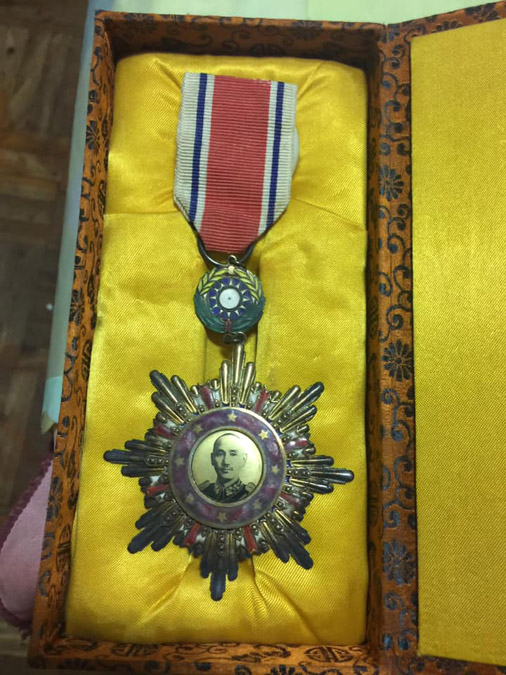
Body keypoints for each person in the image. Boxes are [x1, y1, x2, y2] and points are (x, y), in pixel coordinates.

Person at [198, 432, 256, 503]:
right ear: (212, 459)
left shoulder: (250, 494)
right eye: (220, 454)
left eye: (233, 454)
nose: (226, 462)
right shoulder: (203, 491)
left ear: (244, 460)